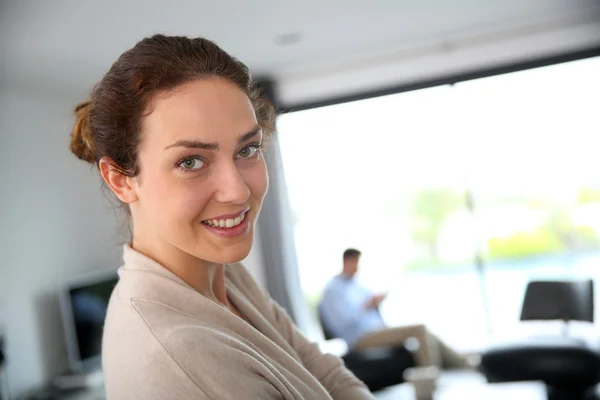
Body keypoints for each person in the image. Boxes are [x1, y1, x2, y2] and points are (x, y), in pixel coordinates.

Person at [69, 34, 373, 400]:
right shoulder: (179, 357)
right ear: (122, 180)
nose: (238, 191)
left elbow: (324, 371)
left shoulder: (221, 275)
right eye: (190, 161)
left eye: (248, 149)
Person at [319, 249, 473, 369]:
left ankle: (464, 362)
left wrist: (376, 303)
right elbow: (341, 323)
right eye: (356, 263)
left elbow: (370, 307)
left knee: (425, 332)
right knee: (419, 329)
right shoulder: (333, 290)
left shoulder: (356, 285)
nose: (358, 267)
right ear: (347, 261)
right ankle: (430, 378)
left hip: (377, 330)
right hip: (359, 338)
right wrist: (366, 306)